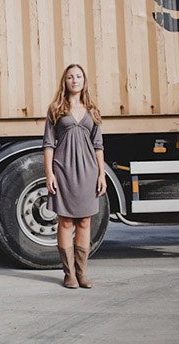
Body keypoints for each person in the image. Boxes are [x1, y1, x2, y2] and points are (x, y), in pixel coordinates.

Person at [43, 63, 106, 289]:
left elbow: (98, 145)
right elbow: (48, 144)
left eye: (79, 76)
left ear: (84, 81)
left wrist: (102, 174)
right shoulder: (56, 109)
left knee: (85, 220)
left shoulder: (92, 109)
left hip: (88, 170)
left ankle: (82, 273)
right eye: (70, 77)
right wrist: (49, 173)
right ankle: (68, 274)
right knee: (66, 220)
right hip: (63, 169)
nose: (75, 80)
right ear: (65, 81)